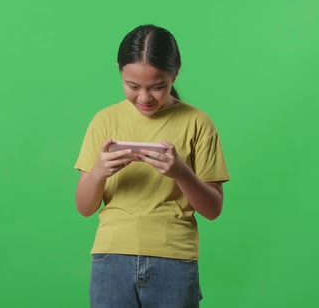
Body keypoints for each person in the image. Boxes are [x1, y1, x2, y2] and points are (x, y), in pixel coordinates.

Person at [74, 24, 230, 308]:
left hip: (175, 258)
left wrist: (180, 172)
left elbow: (213, 209)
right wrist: (99, 171)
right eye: (132, 86)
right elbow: (84, 207)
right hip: (111, 256)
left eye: (158, 87)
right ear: (120, 71)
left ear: (175, 74)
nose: (144, 98)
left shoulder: (198, 123)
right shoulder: (104, 121)